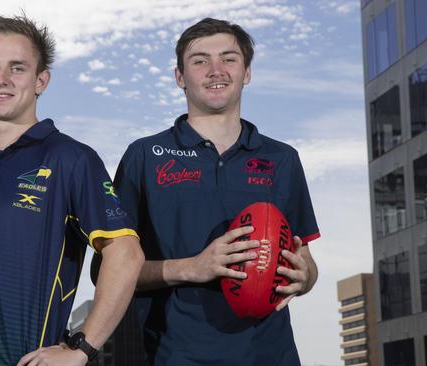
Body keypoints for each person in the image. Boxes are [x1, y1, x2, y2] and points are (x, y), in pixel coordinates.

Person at [0, 14, 144, 366]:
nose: (1, 79)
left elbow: (126, 253)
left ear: (41, 81)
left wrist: (81, 348)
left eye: (17, 68)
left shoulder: (71, 159)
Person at [105, 18, 321, 365]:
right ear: (180, 77)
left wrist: (305, 276)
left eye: (229, 58)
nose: (215, 70)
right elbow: (105, 269)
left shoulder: (283, 159)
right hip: (173, 356)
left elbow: (305, 258)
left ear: (246, 72)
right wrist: (192, 267)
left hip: (271, 355)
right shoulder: (145, 156)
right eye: (200, 60)